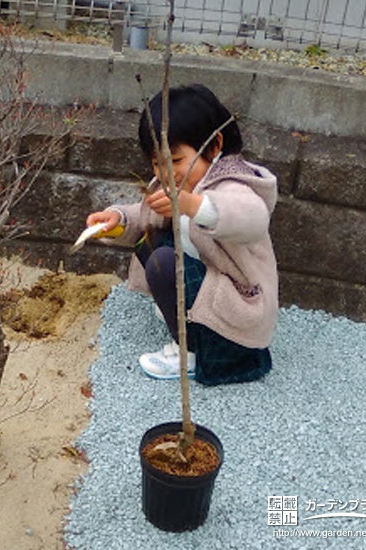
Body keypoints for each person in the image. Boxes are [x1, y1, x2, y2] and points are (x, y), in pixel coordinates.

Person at [86, 84, 278, 385]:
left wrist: (193, 205)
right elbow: (144, 215)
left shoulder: (232, 183)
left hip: (239, 305)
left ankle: (189, 351)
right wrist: (118, 221)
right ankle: (185, 321)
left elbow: (252, 217)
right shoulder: (179, 182)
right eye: (156, 162)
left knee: (164, 261)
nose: (164, 172)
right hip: (207, 286)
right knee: (151, 244)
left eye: (174, 161)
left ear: (214, 146)